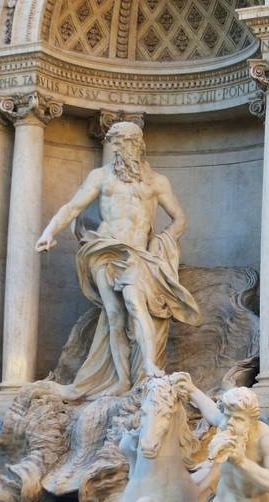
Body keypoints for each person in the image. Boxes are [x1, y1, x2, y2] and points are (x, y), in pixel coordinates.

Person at [36, 121, 201, 399]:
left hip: (136, 254)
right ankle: (123, 379)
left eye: (125, 143)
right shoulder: (100, 177)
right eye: (116, 143)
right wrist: (49, 231)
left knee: (135, 303)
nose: (120, 149)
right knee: (113, 315)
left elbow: (180, 218)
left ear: (138, 145)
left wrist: (160, 243)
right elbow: (73, 206)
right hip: (104, 249)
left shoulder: (157, 182)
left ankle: (149, 366)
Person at [182, 380, 269, 502]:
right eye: (227, 416)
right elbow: (211, 411)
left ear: (252, 421)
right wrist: (190, 388)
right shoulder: (227, 424)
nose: (230, 424)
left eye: (238, 419)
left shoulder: (268, 441)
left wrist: (241, 462)